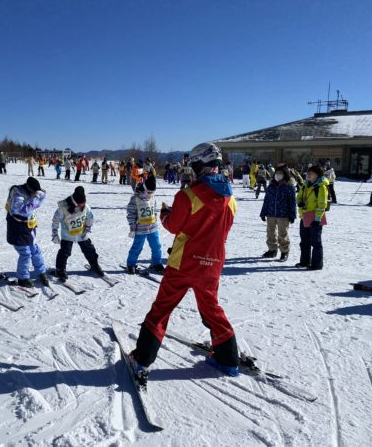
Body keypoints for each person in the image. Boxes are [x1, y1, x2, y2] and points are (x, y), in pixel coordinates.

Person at [129, 142, 240, 386]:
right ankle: (229, 360)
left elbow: (174, 226)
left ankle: (142, 360)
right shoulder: (230, 198)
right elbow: (222, 229)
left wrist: (164, 214)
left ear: (199, 165)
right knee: (211, 309)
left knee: (162, 309)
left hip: (184, 263)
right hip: (212, 264)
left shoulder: (188, 194)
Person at [51, 186, 103, 281]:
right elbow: (55, 220)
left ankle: (94, 265)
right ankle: (60, 270)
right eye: (79, 204)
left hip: (81, 234)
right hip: (67, 235)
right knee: (64, 252)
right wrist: (54, 233)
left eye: (83, 203)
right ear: (74, 202)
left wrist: (87, 228)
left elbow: (90, 217)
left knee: (89, 250)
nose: (81, 206)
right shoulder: (63, 208)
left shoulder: (86, 207)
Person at [5, 177, 49, 287]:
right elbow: (24, 211)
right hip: (17, 228)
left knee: (35, 250)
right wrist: (36, 198)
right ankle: (23, 278)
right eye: (34, 192)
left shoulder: (33, 192)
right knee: (25, 253)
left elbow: (41, 197)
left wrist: (38, 196)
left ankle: (41, 271)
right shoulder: (17, 195)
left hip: (29, 227)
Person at [125, 175, 164, 274]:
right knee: (137, 247)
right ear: (145, 188)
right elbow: (131, 215)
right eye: (149, 192)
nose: (150, 194)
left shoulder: (152, 197)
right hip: (140, 229)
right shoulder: (135, 199)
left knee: (156, 247)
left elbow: (154, 210)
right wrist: (132, 229)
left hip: (152, 228)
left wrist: (154, 220)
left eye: (152, 192)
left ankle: (156, 263)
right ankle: (131, 264)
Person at [259, 165, 296, 262]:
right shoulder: (271, 185)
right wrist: (263, 212)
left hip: (283, 214)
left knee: (282, 234)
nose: (278, 175)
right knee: (270, 232)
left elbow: (292, 202)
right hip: (271, 212)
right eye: (277, 173)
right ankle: (272, 250)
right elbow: (266, 200)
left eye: (280, 173)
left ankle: (284, 252)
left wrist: (292, 215)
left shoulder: (289, 186)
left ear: (285, 175)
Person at [295, 165, 329, 270]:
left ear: (317, 175)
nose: (308, 175)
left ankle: (317, 264)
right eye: (308, 173)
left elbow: (322, 204)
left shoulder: (321, 187)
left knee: (315, 242)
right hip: (304, 216)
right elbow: (299, 196)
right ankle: (304, 262)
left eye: (311, 173)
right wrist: (299, 202)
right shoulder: (305, 185)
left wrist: (317, 219)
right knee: (304, 241)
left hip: (315, 218)